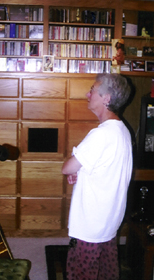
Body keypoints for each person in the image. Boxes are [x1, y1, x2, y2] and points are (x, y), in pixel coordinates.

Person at [62, 73, 133, 280]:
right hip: (108, 222)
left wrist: (75, 168)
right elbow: (105, 170)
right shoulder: (123, 131)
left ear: (106, 98)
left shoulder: (101, 134)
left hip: (90, 227)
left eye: (92, 90)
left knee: (81, 273)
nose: (87, 93)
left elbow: (66, 168)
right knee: (106, 272)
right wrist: (82, 171)